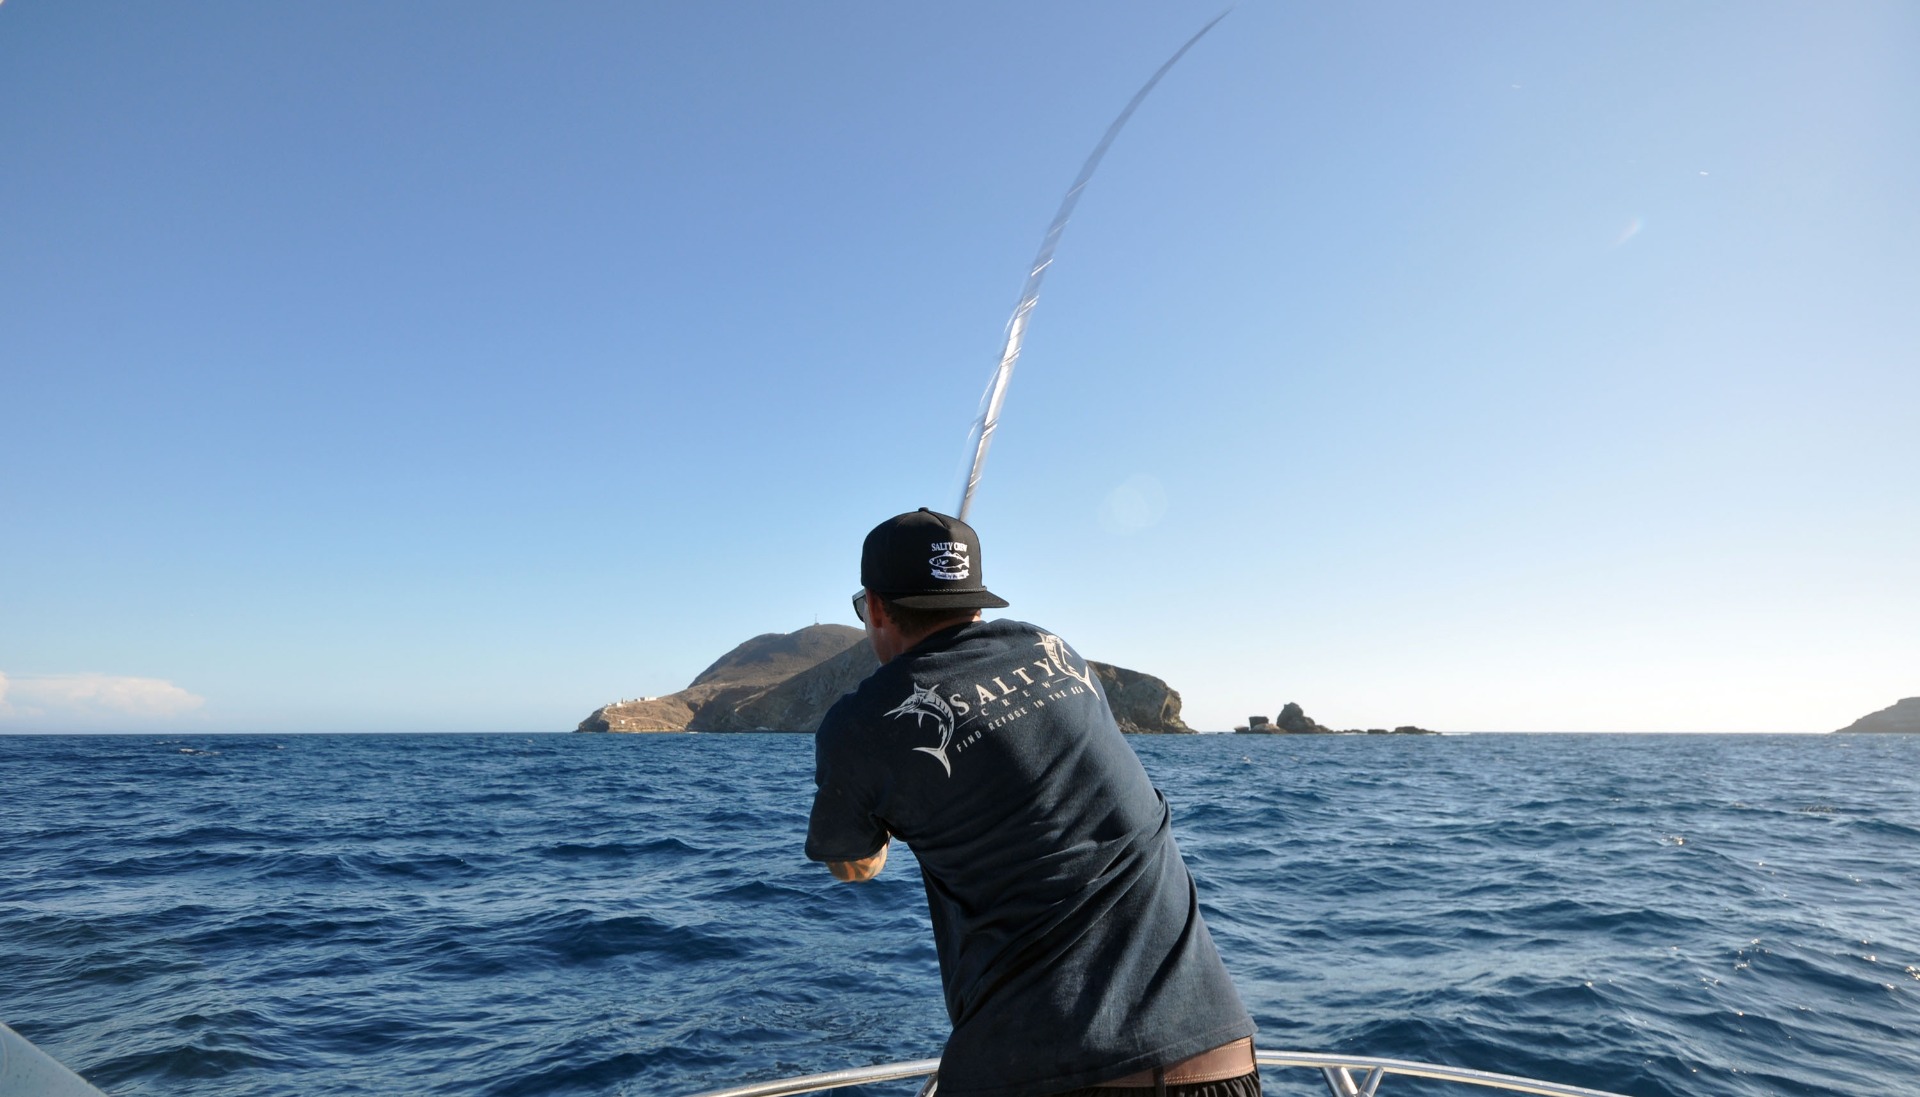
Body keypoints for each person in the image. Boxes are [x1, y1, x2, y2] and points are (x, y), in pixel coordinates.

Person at [806, 508, 1258, 1097]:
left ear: (876, 606)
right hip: (1217, 1052)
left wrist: (887, 810)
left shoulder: (861, 722)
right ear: (975, 601)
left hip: (1044, 1072)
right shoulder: (1056, 652)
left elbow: (852, 865)